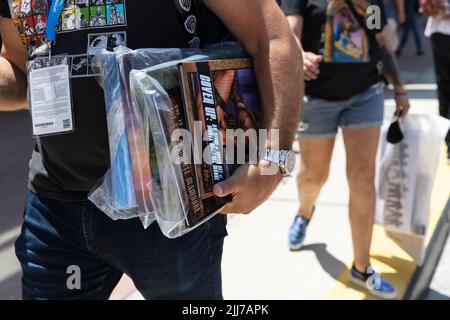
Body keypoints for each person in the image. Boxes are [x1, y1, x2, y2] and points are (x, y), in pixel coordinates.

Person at [0, 0, 302, 299]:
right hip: (56, 207)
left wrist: (273, 160)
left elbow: (270, 36)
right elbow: (20, 69)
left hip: (172, 200)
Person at [281, 0, 410, 299]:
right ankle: (304, 212)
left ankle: (362, 267)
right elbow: (290, 33)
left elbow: (382, 42)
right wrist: (300, 56)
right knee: (314, 176)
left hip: (365, 93)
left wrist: (399, 87)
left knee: (363, 179)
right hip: (316, 99)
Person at [423, 1, 450, 163]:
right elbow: (376, 30)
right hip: (439, 33)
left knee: (444, 91)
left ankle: (447, 140)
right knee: (444, 91)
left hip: (438, 33)